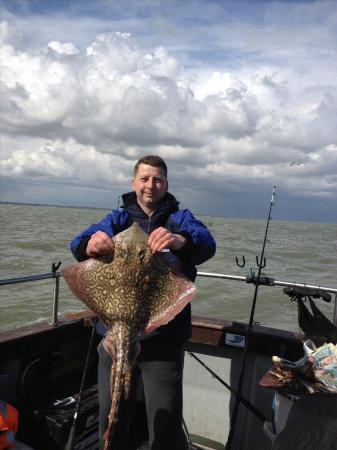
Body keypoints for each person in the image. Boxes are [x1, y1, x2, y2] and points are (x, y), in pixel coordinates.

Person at [70, 155, 216, 450]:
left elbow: (206, 243)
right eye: (145, 178)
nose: (151, 185)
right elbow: (80, 243)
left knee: (165, 423)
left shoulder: (180, 218)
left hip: (162, 338)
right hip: (114, 333)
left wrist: (179, 239)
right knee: (111, 416)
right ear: (133, 182)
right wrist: (89, 244)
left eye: (158, 179)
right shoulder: (117, 219)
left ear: (166, 184)